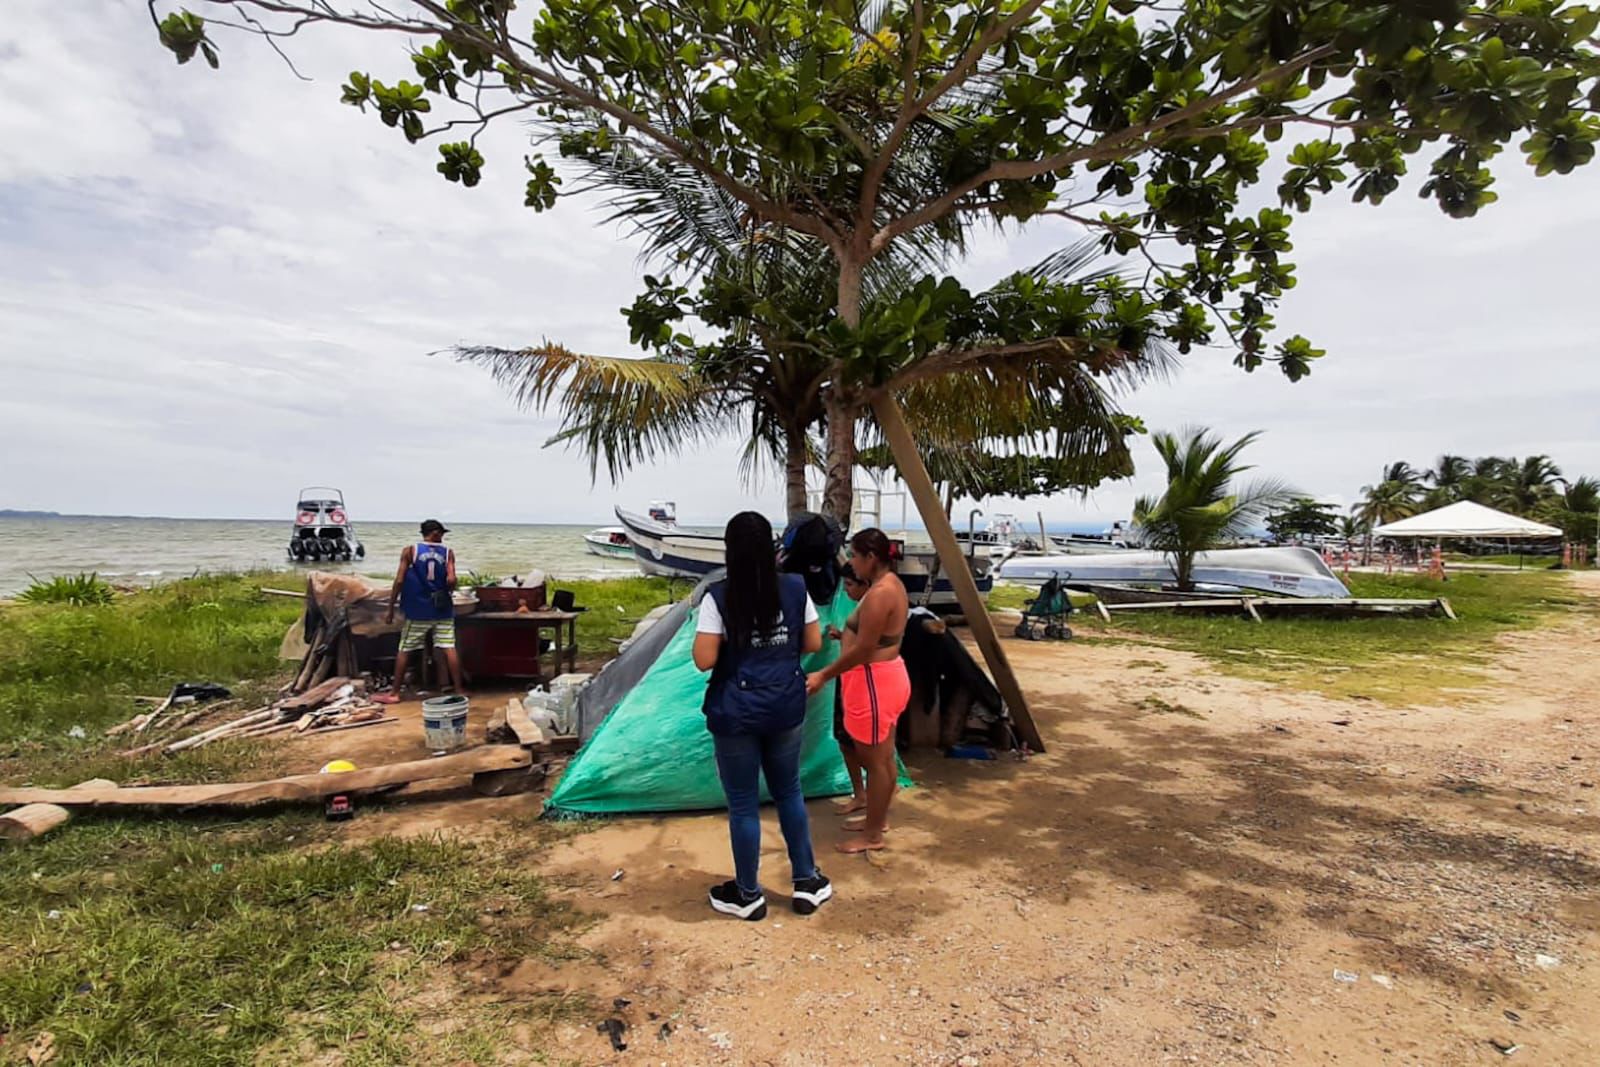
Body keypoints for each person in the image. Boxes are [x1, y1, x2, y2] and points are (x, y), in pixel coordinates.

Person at [692, 511, 832, 921]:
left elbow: (704, 660)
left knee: (742, 803)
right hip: (785, 705)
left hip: (736, 710)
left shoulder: (719, 596)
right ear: (771, 547)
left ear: (730, 552)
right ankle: (806, 882)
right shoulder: (793, 587)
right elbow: (812, 640)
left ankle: (748, 894)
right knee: (788, 791)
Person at [805, 528, 909, 854]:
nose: (851, 562)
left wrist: (823, 674)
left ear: (871, 558)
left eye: (854, 555)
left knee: (875, 761)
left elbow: (864, 649)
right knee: (883, 758)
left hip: (874, 681)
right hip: (880, 678)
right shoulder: (888, 587)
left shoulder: (879, 594)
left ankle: (873, 835)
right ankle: (876, 821)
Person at [375, 519, 464, 703]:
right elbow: (451, 579)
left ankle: (394, 693)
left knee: (405, 649)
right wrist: (447, 591)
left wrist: (391, 607)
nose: (442, 538)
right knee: (449, 647)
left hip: (418, 609)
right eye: (442, 534)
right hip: (442, 609)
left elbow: (399, 580)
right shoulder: (448, 553)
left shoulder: (410, 551)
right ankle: (459, 689)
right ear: (435, 533)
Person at [826, 565, 870, 816]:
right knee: (845, 740)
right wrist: (842, 636)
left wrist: (825, 674)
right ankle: (860, 793)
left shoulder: (873, 608)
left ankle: (872, 801)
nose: (846, 589)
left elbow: (866, 650)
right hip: (848, 680)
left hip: (861, 682)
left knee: (867, 746)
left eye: (851, 585)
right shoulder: (859, 608)